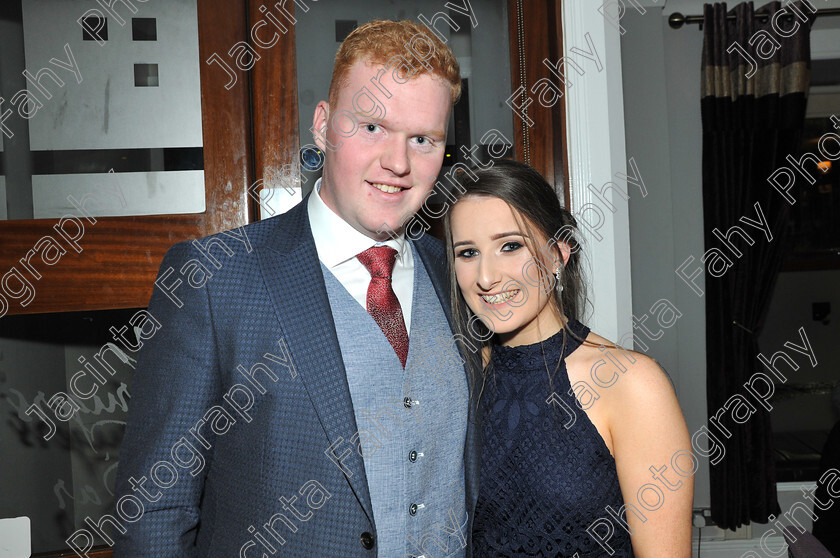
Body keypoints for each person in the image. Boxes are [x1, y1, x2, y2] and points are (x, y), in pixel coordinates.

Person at [112, 20, 476, 557]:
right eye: (372, 127)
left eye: (422, 139)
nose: (398, 164)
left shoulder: (460, 277)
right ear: (324, 126)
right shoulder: (214, 278)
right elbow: (153, 511)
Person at [444, 160, 694, 557]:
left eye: (511, 245)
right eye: (468, 252)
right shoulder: (463, 378)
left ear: (559, 254)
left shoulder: (631, 384)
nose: (486, 276)